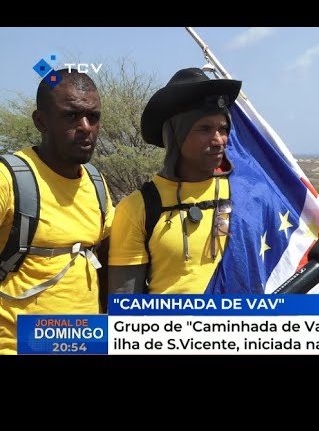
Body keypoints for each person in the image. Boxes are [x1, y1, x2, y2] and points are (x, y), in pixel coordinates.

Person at [0, 69, 114, 354]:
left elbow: (110, 268)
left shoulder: (97, 184)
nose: (86, 126)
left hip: (88, 345)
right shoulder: (9, 179)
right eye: (71, 116)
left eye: (94, 117)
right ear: (41, 121)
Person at [108, 68, 243, 294]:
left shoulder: (242, 195)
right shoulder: (137, 207)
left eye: (223, 128)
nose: (219, 140)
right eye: (205, 129)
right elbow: (125, 305)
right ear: (176, 135)